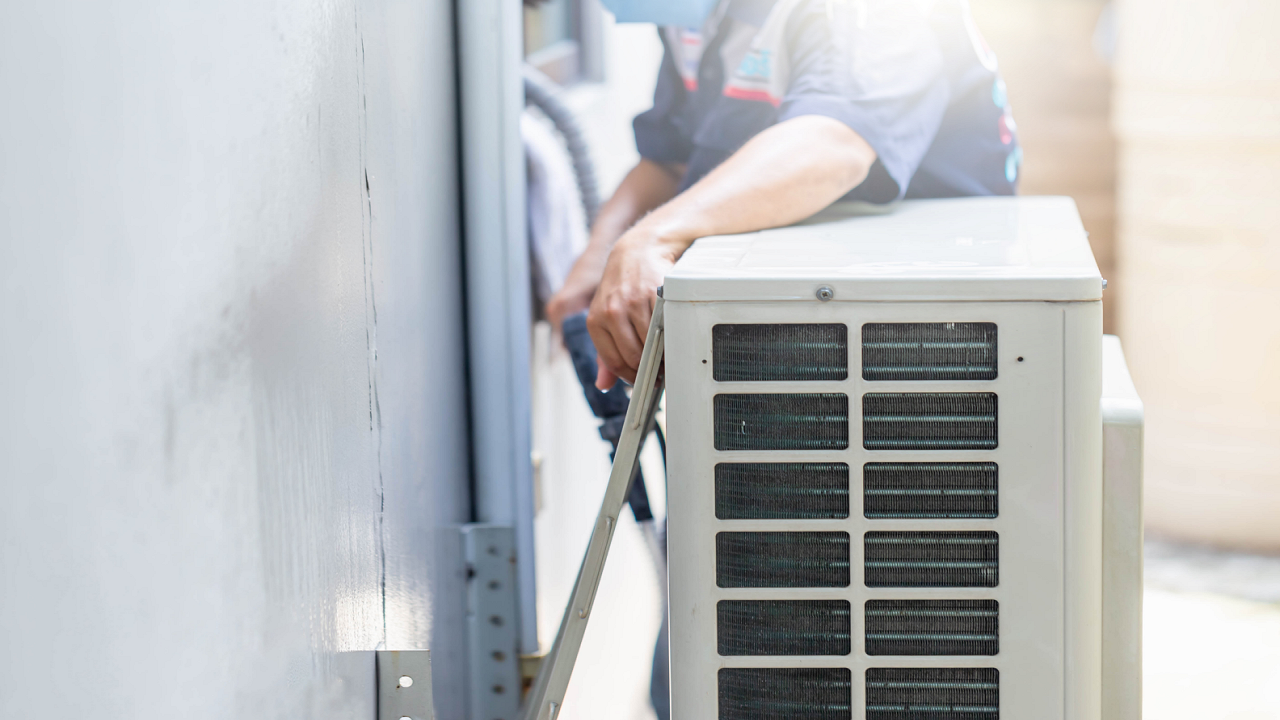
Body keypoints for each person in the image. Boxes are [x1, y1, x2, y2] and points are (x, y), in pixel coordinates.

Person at [546, 0, 1021, 391]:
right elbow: (670, 159)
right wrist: (601, 257)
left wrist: (650, 238)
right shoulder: (694, 18)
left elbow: (833, 145)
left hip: (922, 332)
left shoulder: (875, 14)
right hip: (788, 321)